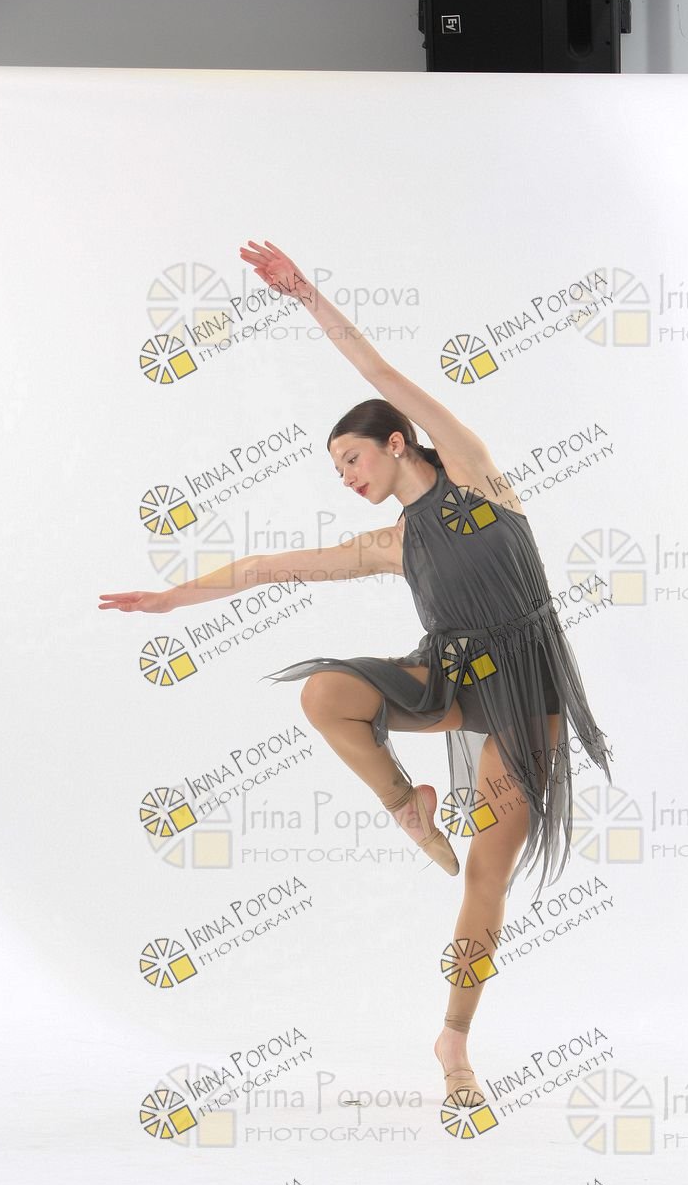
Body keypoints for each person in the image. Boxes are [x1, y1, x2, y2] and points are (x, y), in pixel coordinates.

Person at [100, 238, 612, 1107]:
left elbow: (378, 369)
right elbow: (266, 567)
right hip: (451, 680)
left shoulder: (476, 478)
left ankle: (454, 1040)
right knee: (325, 692)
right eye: (337, 468)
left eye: (352, 459)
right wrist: (170, 599)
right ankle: (408, 805)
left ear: (397, 442)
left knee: (486, 873)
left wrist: (304, 295)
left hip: (528, 688)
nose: (345, 477)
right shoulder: (391, 544)